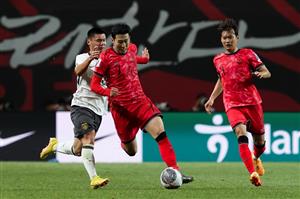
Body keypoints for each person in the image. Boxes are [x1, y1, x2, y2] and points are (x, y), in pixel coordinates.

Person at [90, 23, 193, 184]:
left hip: (140, 102)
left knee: (161, 133)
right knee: (132, 151)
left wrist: (144, 59)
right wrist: (108, 91)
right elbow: (94, 85)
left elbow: (131, 59)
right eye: (120, 42)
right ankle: (127, 139)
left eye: (126, 41)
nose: (124, 45)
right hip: (121, 110)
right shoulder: (105, 58)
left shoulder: (132, 48)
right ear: (112, 40)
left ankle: (176, 171)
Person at [40, 27, 109, 189]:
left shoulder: (108, 61)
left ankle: (55, 146)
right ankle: (94, 178)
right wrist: (91, 59)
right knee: (89, 137)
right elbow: (78, 71)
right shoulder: (82, 57)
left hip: (99, 110)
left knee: (78, 149)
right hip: (82, 106)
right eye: (98, 40)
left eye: (104, 40)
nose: (101, 43)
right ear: (89, 42)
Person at [204, 18, 271, 186]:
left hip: (252, 102)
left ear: (237, 37)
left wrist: (262, 74)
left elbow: (266, 71)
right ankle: (253, 173)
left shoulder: (248, 54)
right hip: (232, 104)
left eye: (231, 37)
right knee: (240, 133)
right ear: (221, 39)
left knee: (260, 143)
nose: (228, 40)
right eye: (224, 37)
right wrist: (212, 98)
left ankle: (256, 158)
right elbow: (222, 79)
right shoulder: (217, 60)